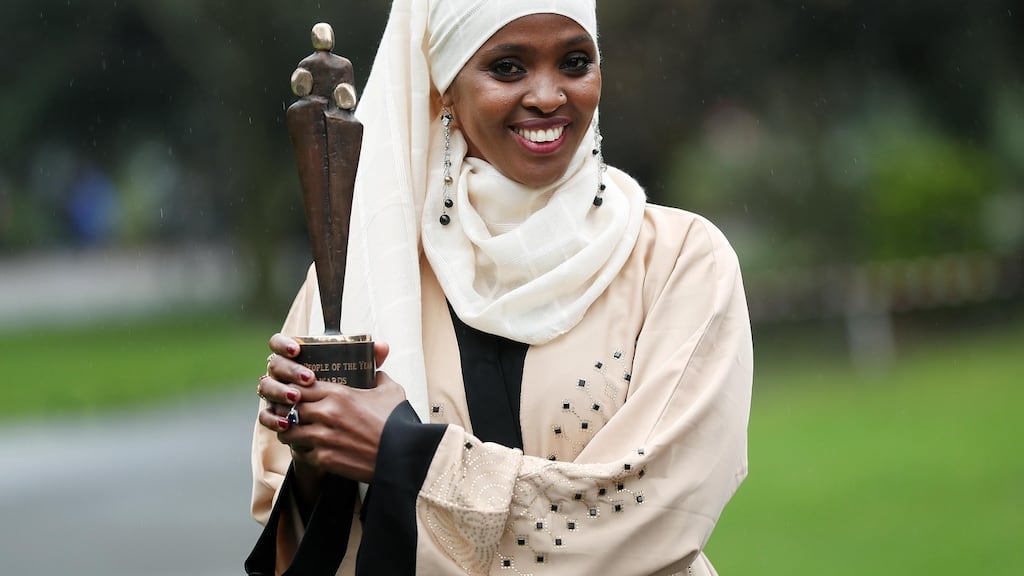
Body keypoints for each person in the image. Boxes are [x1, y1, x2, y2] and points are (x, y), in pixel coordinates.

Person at [249, 0, 753, 574]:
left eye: (575, 61)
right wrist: (318, 450)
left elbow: (655, 511)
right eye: (508, 67)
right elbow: (293, 538)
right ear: (445, 92)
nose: (547, 95)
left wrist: (408, 457)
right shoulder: (363, 270)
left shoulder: (678, 259)